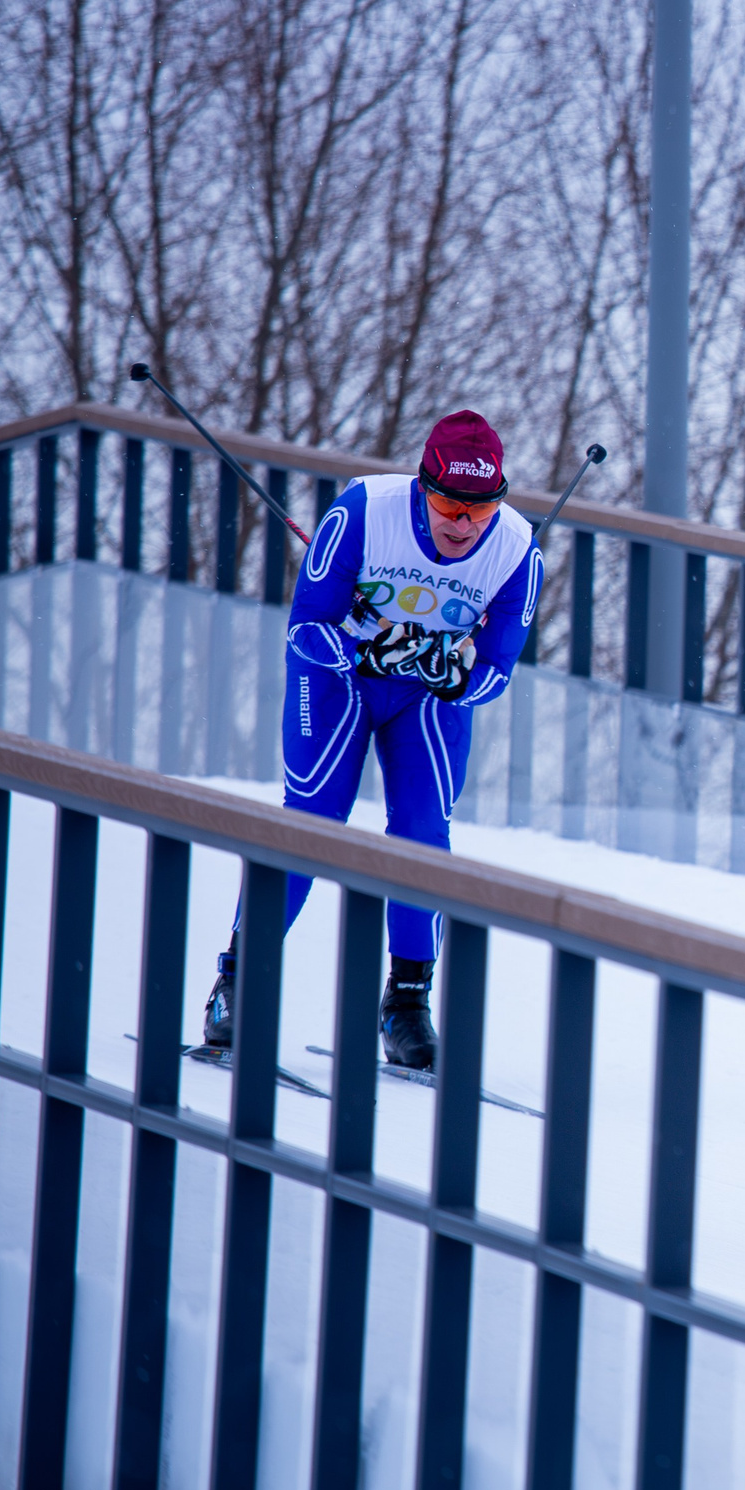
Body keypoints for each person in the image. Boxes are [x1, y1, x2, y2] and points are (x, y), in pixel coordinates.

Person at [200, 410, 539, 1068]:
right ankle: (236, 982)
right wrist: (369, 644)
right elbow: (306, 627)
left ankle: (408, 1003)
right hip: (340, 680)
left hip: (423, 700)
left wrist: (453, 674)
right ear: (422, 489)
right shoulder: (365, 511)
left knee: (422, 827)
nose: (461, 523)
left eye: (479, 509)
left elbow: (496, 673)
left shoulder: (517, 549)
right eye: (446, 502)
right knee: (316, 816)